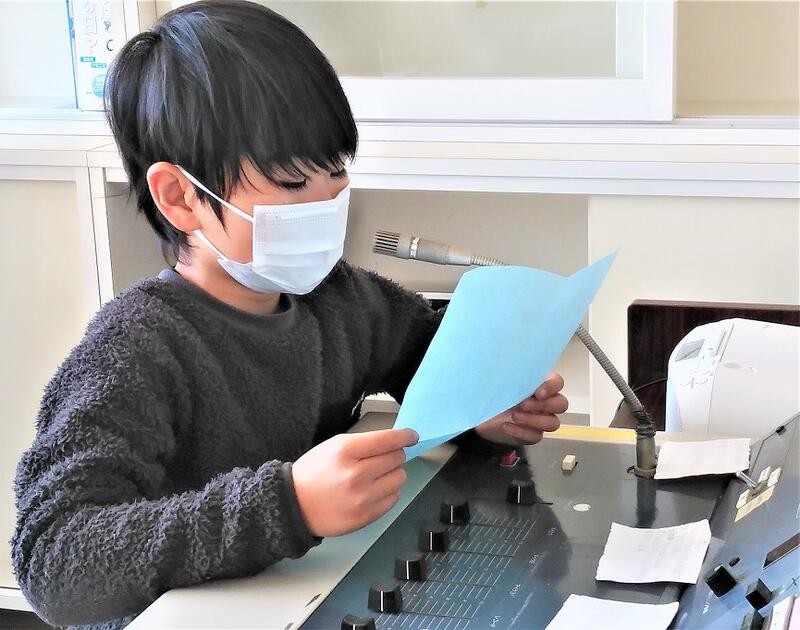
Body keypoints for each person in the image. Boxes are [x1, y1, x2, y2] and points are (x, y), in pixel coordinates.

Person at [10, 2, 568, 628]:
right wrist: (288, 506)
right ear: (181, 196)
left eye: (335, 171)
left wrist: (486, 407)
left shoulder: (340, 299)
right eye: (293, 184)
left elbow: (431, 360)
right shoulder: (132, 350)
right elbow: (52, 561)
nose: (327, 202)